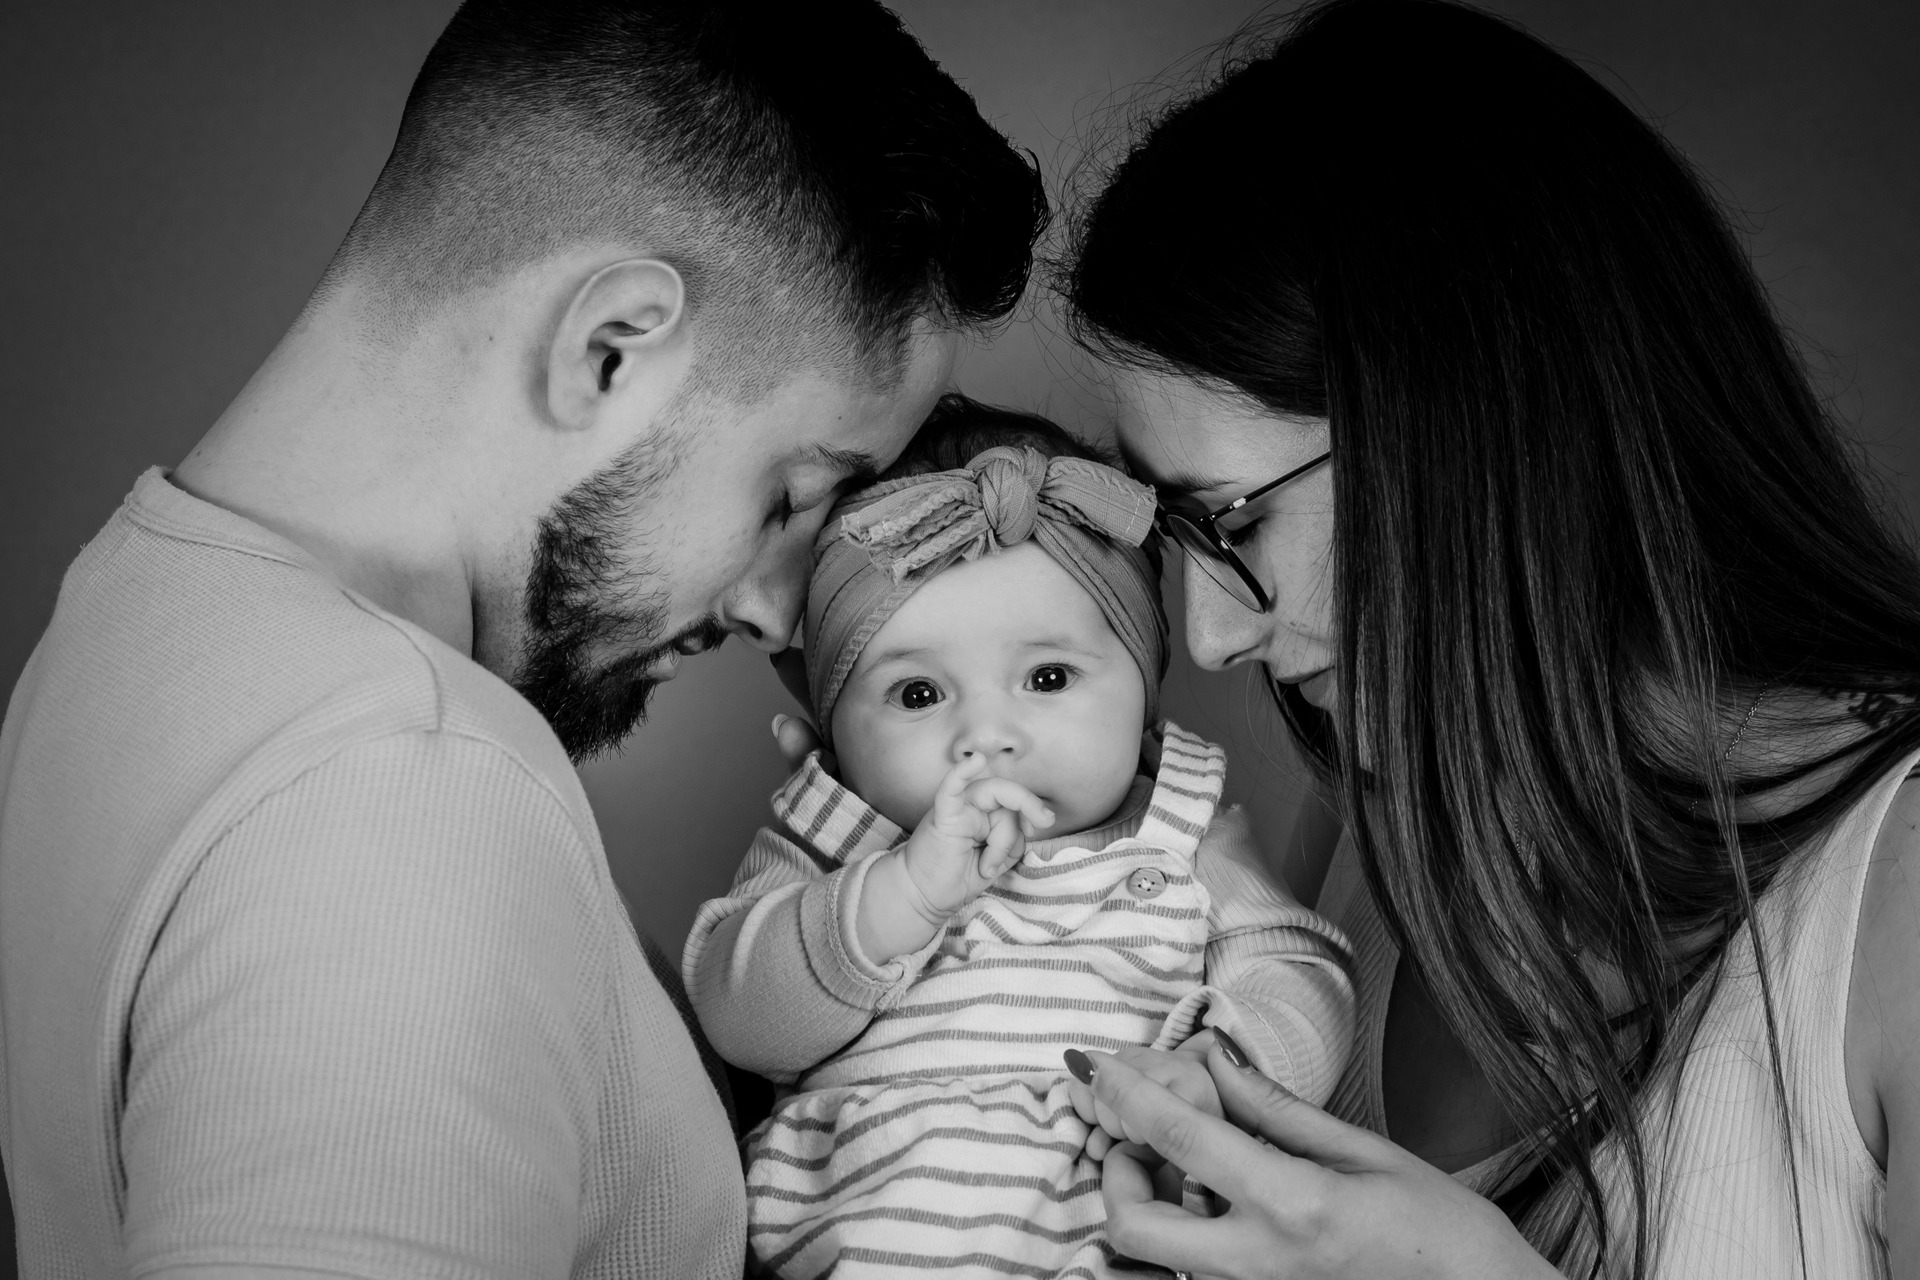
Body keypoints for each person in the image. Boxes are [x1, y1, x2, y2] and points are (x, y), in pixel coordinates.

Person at [0, 1, 1046, 1276]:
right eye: (793, 492)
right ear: (610, 350)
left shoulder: (131, 600)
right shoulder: (403, 788)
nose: (779, 612)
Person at [1048, 0, 1920, 1276]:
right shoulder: (1362, 835)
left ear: (1480, 435)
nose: (1209, 633)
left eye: (1229, 520)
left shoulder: (1896, 900)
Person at [684, 398, 1355, 1278]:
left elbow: (1301, 976)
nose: (987, 736)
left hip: (1120, 1240)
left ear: (1143, 695)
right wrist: (894, 900)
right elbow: (739, 1018)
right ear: (835, 727)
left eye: (1047, 677)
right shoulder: (834, 839)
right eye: (919, 695)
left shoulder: (1184, 833)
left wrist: (1223, 1065)